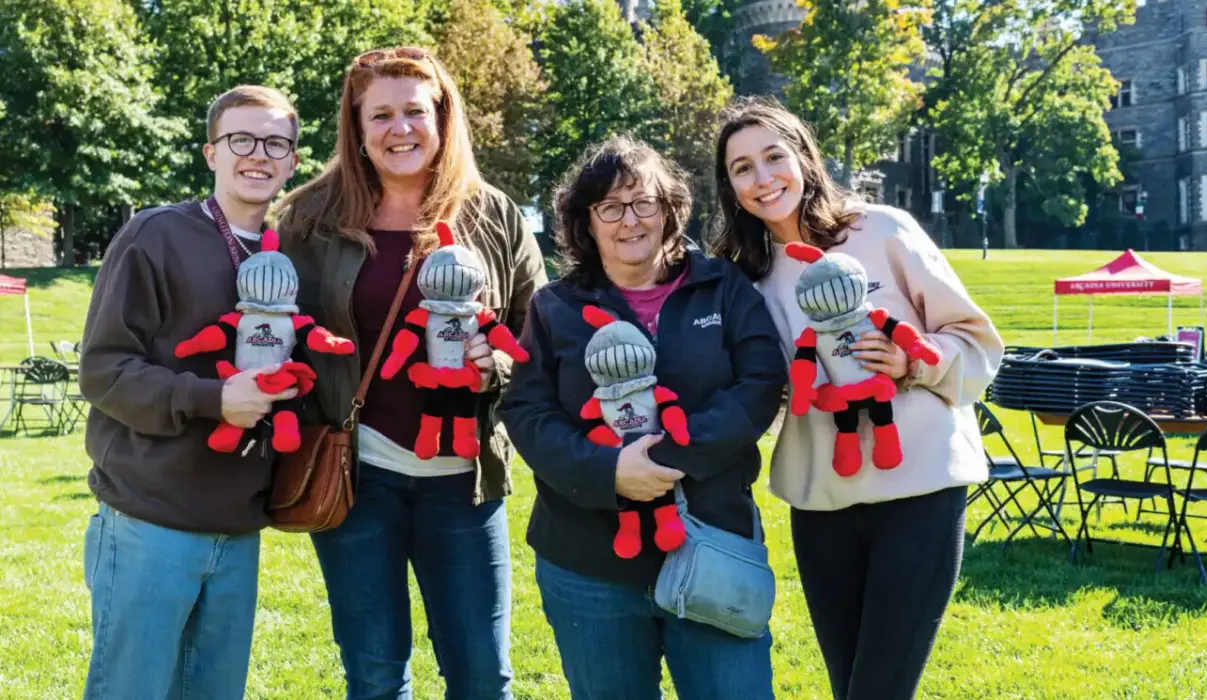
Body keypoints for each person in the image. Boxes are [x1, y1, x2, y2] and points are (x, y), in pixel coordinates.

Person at [708, 97, 1005, 700]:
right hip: (823, 503)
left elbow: (976, 344)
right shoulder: (744, 277)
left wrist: (910, 361)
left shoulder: (882, 230)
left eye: (773, 157)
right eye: (742, 168)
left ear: (804, 159)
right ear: (730, 187)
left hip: (919, 490)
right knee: (849, 685)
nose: (763, 179)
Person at [275, 46, 546, 700]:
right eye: (381, 115)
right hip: (358, 477)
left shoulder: (492, 213)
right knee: (373, 676)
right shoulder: (311, 217)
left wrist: (499, 365)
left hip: (464, 481)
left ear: (443, 118)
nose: (400, 129)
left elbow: (542, 334)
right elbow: (277, 331)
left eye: (415, 112)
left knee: (483, 675)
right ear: (358, 129)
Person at [498, 135, 787, 700]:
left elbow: (759, 384)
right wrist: (609, 472)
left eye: (644, 202)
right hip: (589, 563)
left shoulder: (720, 287)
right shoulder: (553, 306)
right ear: (587, 221)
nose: (629, 220)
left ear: (670, 209)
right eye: (610, 207)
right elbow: (528, 412)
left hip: (713, 545)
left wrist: (668, 457)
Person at [77, 85, 303, 698]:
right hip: (150, 520)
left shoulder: (292, 257)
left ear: (293, 161)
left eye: (276, 142)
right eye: (241, 140)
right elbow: (102, 371)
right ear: (211, 152)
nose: (258, 154)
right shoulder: (155, 236)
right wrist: (211, 399)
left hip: (240, 524)